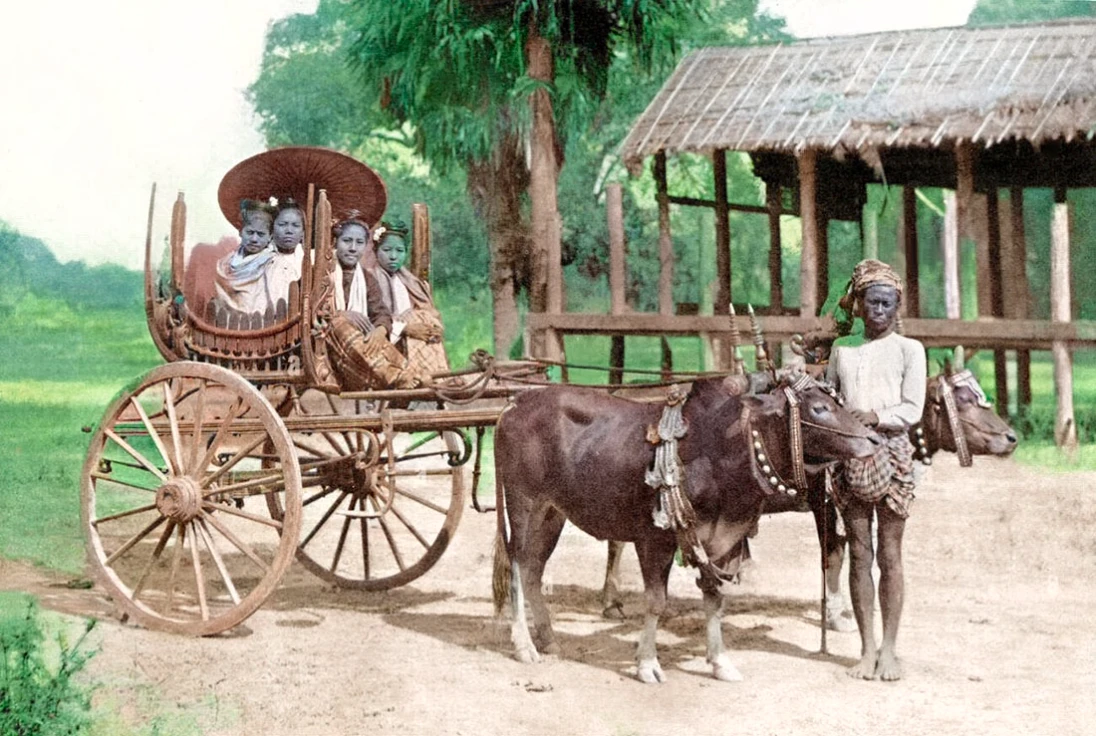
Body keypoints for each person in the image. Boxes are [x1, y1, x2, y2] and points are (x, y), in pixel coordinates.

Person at [825, 259, 926, 681]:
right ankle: (865, 649)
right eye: (872, 302)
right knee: (860, 553)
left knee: (889, 553)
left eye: (887, 303)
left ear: (897, 306)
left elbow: (912, 408)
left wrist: (875, 416)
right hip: (850, 456)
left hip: (893, 454)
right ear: (860, 305)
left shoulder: (910, 351)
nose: (879, 310)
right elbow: (830, 398)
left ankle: (889, 650)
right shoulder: (842, 350)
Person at [325, 214, 420, 390]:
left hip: (360, 351)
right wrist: (341, 315)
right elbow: (310, 310)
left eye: (359, 243)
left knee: (373, 335)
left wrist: (380, 330)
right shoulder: (321, 274)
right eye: (347, 241)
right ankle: (399, 376)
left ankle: (407, 375)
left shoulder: (366, 279)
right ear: (334, 242)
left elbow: (381, 312)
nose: (353, 248)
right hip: (329, 347)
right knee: (339, 324)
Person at [369, 220, 449, 379]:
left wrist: (432, 326)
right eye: (387, 250)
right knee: (414, 318)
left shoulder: (410, 282)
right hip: (386, 337)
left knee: (423, 316)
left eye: (399, 251)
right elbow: (370, 317)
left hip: (416, 339)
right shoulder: (370, 279)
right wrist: (406, 329)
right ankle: (422, 376)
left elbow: (424, 310)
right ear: (376, 250)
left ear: (406, 252)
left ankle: (437, 374)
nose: (393, 256)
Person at [213, 200, 277, 319]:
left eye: (261, 234)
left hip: (258, 323)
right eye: (250, 232)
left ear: (270, 237)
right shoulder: (224, 263)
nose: (254, 239)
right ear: (240, 231)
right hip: (223, 323)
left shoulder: (273, 263)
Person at [266, 197, 306, 313]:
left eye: (295, 225)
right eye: (283, 224)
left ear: (303, 233)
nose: (289, 230)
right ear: (272, 229)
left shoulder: (308, 261)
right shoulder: (262, 259)